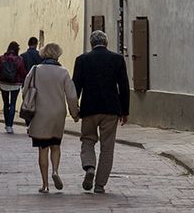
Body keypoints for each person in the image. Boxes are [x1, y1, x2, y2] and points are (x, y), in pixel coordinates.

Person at [71, 29, 131, 194]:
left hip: (89, 108)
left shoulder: (82, 60)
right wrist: (125, 111)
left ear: (91, 44)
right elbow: (124, 87)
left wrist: (74, 108)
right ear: (106, 43)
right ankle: (100, 184)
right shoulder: (117, 59)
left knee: (88, 140)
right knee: (107, 147)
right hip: (111, 109)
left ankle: (89, 166)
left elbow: (75, 87)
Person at [19, 42, 77, 193]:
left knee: (43, 148)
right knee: (56, 146)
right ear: (58, 54)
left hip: (40, 113)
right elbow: (71, 95)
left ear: (44, 54)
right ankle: (55, 171)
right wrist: (75, 113)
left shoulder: (35, 70)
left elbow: (25, 90)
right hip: (58, 113)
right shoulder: (63, 72)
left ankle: (45, 184)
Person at [0, 41, 26, 134]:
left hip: (4, 84)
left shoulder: (2, 58)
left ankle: (7, 125)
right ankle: (10, 125)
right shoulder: (19, 59)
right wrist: (23, 82)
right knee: (13, 104)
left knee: (6, 104)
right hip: (15, 84)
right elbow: (22, 72)